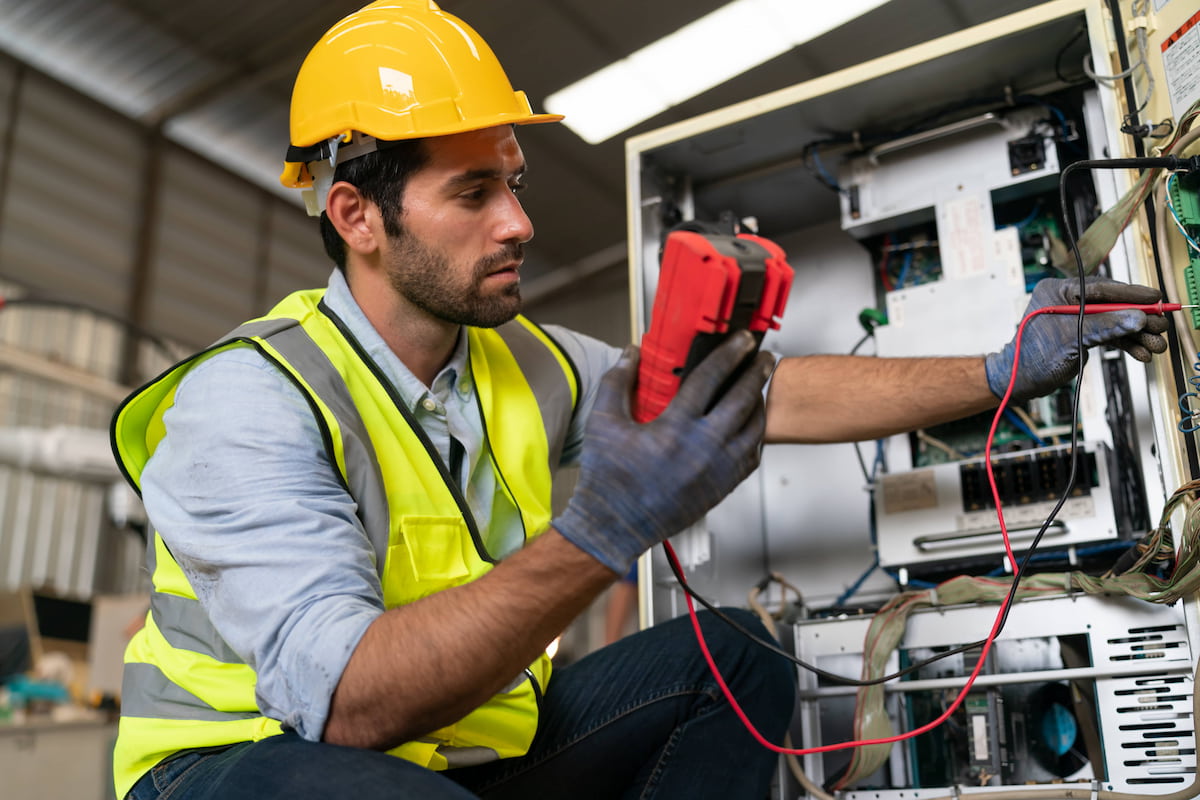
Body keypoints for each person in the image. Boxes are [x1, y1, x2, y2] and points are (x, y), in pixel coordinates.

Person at [107, 2, 1171, 799]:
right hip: (244, 765)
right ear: (357, 214)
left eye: (513, 181)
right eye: (474, 193)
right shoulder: (249, 399)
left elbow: (769, 393)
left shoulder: (520, 357)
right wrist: (608, 525)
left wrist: (999, 370)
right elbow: (349, 703)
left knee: (734, 653)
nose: (518, 222)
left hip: (456, 754)